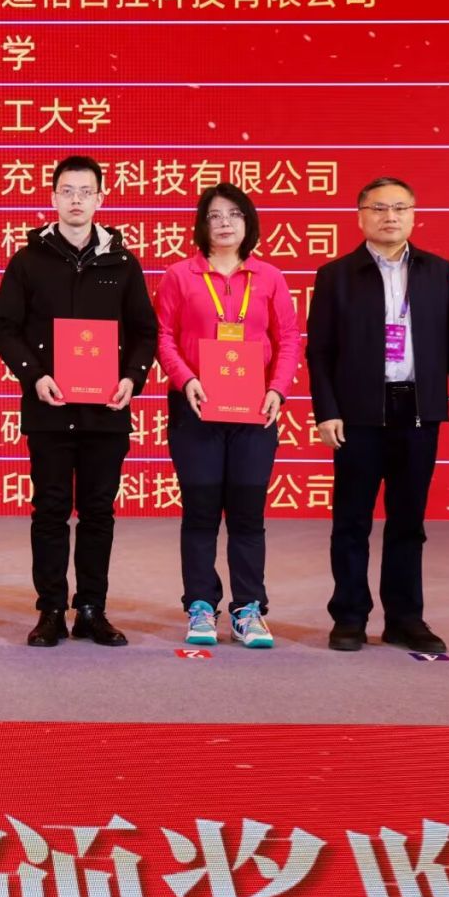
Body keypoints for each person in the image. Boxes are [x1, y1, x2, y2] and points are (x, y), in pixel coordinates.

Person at [307, 177, 449, 654]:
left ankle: (405, 619)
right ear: (360, 216)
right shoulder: (336, 275)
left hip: (418, 409)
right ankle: (349, 617)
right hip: (359, 413)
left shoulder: (437, 271)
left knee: (408, 522)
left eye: (400, 208)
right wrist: (327, 411)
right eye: (379, 208)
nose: (390, 217)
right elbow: (319, 352)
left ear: (413, 215)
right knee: (351, 522)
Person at [0, 154, 157, 648]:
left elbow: (145, 332)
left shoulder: (122, 262)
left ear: (101, 198)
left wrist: (132, 378)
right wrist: (34, 376)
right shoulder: (28, 260)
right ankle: (50, 610)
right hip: (49, 408)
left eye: (86, 191)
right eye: (68, 191)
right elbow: (4, 327)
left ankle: (91, 609)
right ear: (53, 197)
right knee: (50, 510)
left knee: (98, 512)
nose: (77, 200)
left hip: (107, 412)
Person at [154, 184, 302, 648]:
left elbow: (289, 338)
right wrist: (185, 379)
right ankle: (200, 605)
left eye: (234, 215)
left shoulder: (269, 277)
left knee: (247, 514)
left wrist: (277, 389)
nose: (224, 223)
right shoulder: (179, 275)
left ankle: (248, 609)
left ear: (248, 223)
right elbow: (163, 335)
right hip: (196, 407)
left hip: (254, 410)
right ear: (202, 225)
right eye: (214, 215)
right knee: (200, 512)